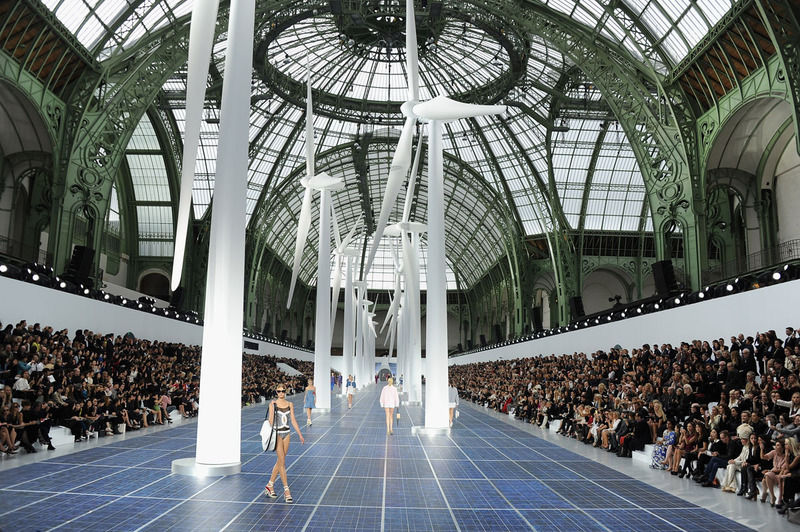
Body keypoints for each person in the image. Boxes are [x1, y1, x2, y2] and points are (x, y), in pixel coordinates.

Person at [264, 384, 304, 503]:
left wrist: (300, 434)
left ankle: (270, 485)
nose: (281, 393)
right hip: (277, 434)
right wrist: (272, 408)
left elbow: (293, 420)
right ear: (276, 392)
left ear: (285, 391)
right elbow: (270, 420)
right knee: (282, 462)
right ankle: (287, 490)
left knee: (280, 461)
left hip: (287, 434)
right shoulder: (273, 404)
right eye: (279, 391)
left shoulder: (290, 404)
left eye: (283, 391)